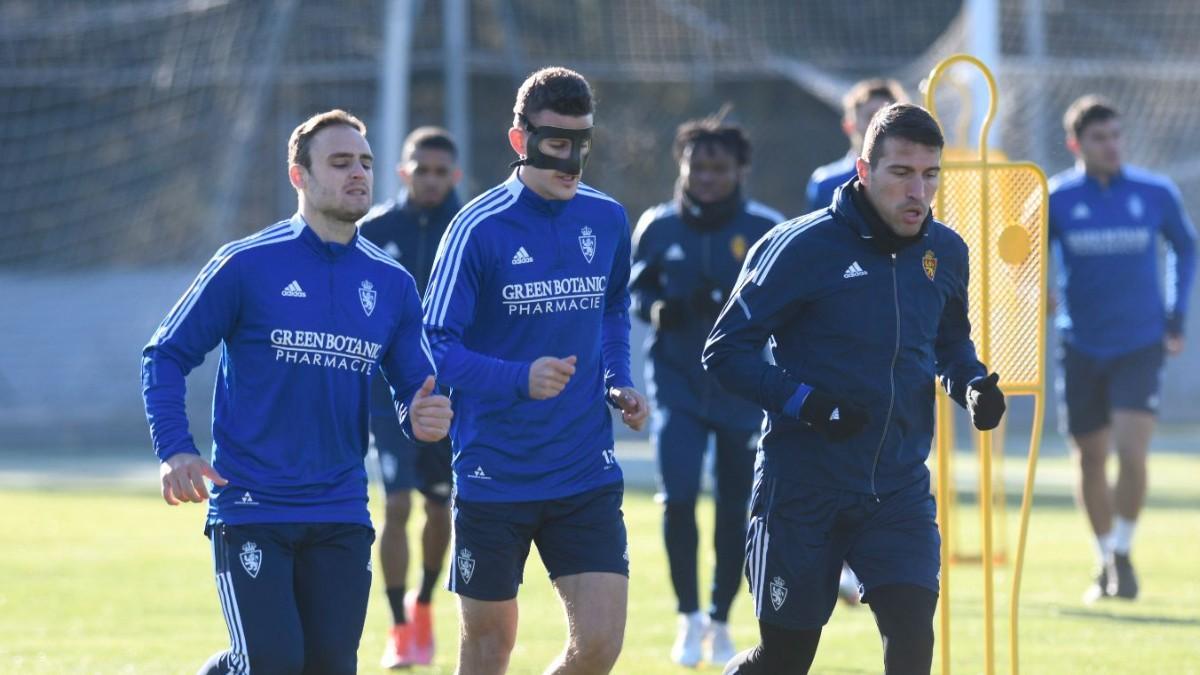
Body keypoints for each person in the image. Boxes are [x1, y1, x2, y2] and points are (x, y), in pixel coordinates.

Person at [140, 109, 453, 674]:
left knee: (330, 665)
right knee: (272, 664)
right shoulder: (246, 263)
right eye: (340, 163)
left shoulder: (392, 284)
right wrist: (175, 449)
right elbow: (165, 354)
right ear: (298, 176)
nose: (358, 173)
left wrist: (422, 415)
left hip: (340, 509)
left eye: (365, 163)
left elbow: (415, 388)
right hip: (253, 506)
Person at [703, 103, 1007, 674]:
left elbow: (948, 346)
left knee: (912, 643)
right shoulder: (800, 246)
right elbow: (725, 352)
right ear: (864, 171)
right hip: (802, 491)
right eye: (902, 173)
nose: (919, 190)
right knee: (785, 659)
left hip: (897, 490)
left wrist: (971, 385)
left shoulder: (947, 253)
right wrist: (808, 404)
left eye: (930, 174)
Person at [422, 67, 648, 675]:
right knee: (489, 649)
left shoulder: (606, 220)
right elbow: (434, 346)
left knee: (599, 644)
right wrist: (518, 378)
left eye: (583, 143)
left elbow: (613, 307)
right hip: (494, 471)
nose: (572, 161)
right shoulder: (476, 229)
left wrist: (617, 379)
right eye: (556, 144)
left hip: (583, 471)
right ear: (520, 141)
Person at [629, 113, 782, 667]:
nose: (708, 178)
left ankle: (720, 617)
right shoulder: (658, 226)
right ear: (682, 167)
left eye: (720, 168)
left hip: (742, 389)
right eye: (699, 166)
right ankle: (687, 615)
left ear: (740, 169)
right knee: (680, 498)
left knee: (734, 506)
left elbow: (789, 304)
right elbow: (634, 294)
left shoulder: (766, 227)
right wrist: (659, 310)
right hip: (677, 386)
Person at [1048, 95, 1196, 603]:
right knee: (1090, 459)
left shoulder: (1154, 192)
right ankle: (1104, 555)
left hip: (1140, 342)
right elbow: (1024, 255)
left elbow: (1186, 245)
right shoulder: (1056, 197)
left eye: (1116, 135)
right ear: (1076, 144)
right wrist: (1036, 290)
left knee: (1132, 454)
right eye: (1099, 138)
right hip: (1080, 345)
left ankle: (1125, 555)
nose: (1111, 146)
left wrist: (1176, 316)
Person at [358, 126, 462, 667]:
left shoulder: (468, 229)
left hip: (449, 395)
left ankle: (425, 605)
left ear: (455, 176)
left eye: (441, 171)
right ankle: (399, 625)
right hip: (386, 392)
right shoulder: (375, 229)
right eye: (421, 169)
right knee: (395, 503)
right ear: (403, 172)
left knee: (441, 507)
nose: (431, 180)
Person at [806, 78, 908, 212]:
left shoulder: (917, 180)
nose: (880, 126)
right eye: (870, 117)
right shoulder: (825, 183)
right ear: (849, 125)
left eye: (888, 119)